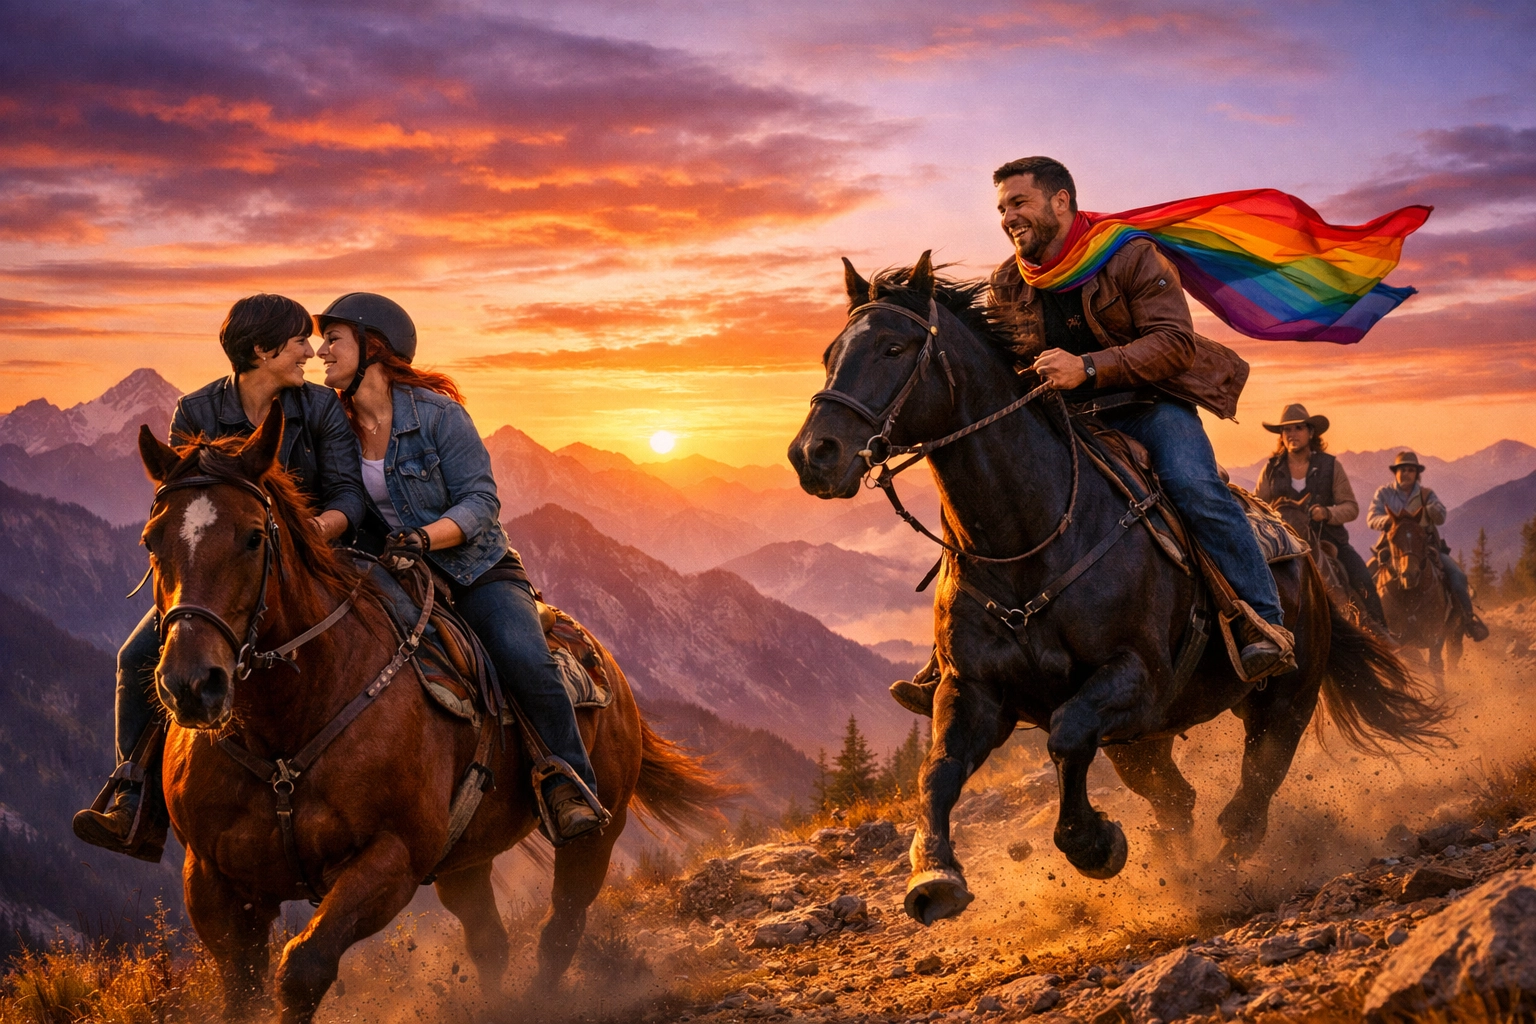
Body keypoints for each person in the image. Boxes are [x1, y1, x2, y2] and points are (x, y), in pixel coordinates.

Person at [73, 294, 365, 860]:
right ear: (262, 350)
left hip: (313, 560)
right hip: (224, 571)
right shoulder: (196, 412)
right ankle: (134, 801)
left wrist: (301, 535)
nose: (311, 351)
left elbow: (349, 496)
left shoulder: (322, 410)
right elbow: (188, 508)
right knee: (136, 658)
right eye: (299, 341)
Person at [314, 292, 606, 843]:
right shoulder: (335, 425)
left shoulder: (440, 416)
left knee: (523, 658)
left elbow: (480, 503)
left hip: (475, 569)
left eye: (333, 338)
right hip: (390, 571)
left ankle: (569, 783)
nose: (320, 350)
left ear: (373, 346)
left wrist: (424, 537)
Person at [1254, 403, 1386, 625]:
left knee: (1362, 579)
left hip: (1328, 540)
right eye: (1287, 429)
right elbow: (1257, 506)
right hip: (1281, 544)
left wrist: (1327, 512)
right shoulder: (1271, 469)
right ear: (1281, 435)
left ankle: (1381, 633)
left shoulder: (1330, 466)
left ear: (1311, 432)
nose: (1292, 434)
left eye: (1298, 428)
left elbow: (1351, 507)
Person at [1366, 450, 1489, 642]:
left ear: (1416, 473)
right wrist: (1388, 521)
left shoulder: (1426, 495)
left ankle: (1468, 620)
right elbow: (1372, 517)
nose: (1406, 473)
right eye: (1402, 469)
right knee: (1364, 577)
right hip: (1393, 548)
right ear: (1395, 472)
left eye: (1410, 469)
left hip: (1425, 547)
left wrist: (1432, 510)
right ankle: (1363, 623)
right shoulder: (1384, 493)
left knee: (1457, 576)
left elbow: (1441, 516)